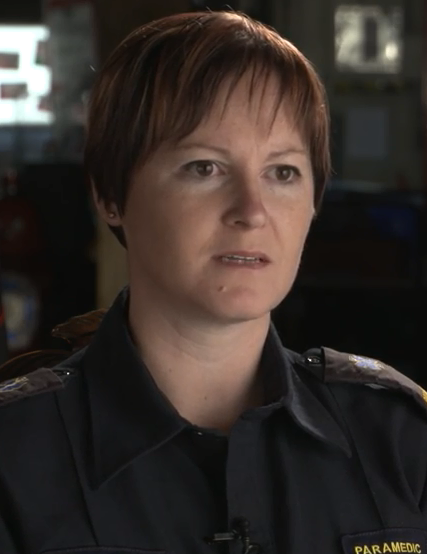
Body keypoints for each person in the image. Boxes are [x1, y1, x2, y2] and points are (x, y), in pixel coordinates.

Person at [0, 10, 426, 554]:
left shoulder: (397, 438)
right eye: (205, 167)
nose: (252, 211)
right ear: (109, 195)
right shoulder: (16, 456)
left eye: (283, 172)